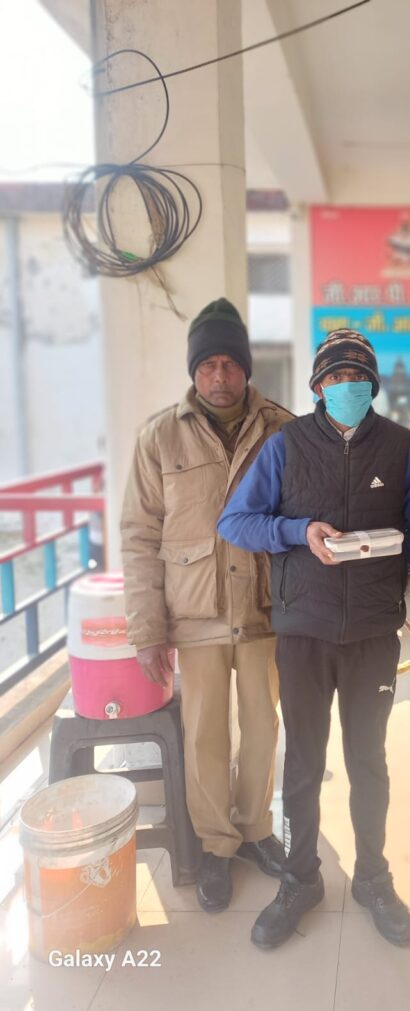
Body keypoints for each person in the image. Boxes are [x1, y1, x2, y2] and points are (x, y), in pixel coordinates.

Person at [218, 328, 410, 950]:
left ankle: (373, 878)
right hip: (303, 632)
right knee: (304, 764)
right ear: (317, 386)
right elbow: (236, 521)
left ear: (373, 385)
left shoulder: (400, 446)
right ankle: (300, 878)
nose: (346, 386)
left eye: (357, 377)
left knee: (369, 762)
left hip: (372, 635)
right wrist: (298, 531)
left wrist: (393, 579)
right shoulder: (285, 446)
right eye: (335, 377)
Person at [121, 298, 290, 913]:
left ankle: (256, 829)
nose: (220, 375)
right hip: (194, 614)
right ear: (194, 371)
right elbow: (139, 535)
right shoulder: (159, 436)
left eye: (230, 363)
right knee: (205, 735)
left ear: (246, 368)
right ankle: (217, 844)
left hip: (264, 608)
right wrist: (147, 630)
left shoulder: (283, 429)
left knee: (263, 726)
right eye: (208, 364)